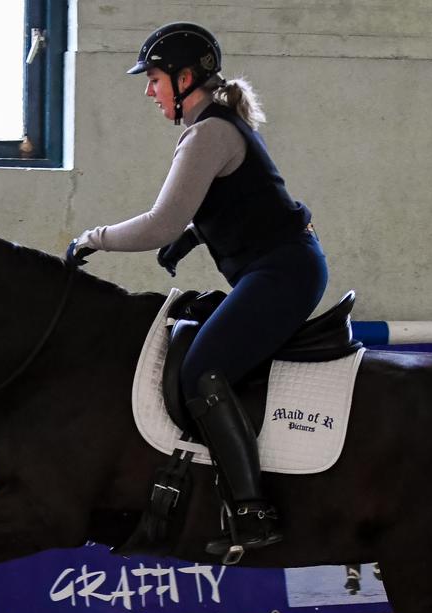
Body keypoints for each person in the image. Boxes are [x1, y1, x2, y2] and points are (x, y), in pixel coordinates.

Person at [69, 22, 328, 560]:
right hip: (279, 266)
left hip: (283, 273)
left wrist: (92, 238)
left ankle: (253, 513)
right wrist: (189, 241)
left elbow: (161, 220)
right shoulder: (215, 127)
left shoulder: (209, 133)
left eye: (156, 79)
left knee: (201, 371)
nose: (149, 90)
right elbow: (232, 202)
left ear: (186, 78)